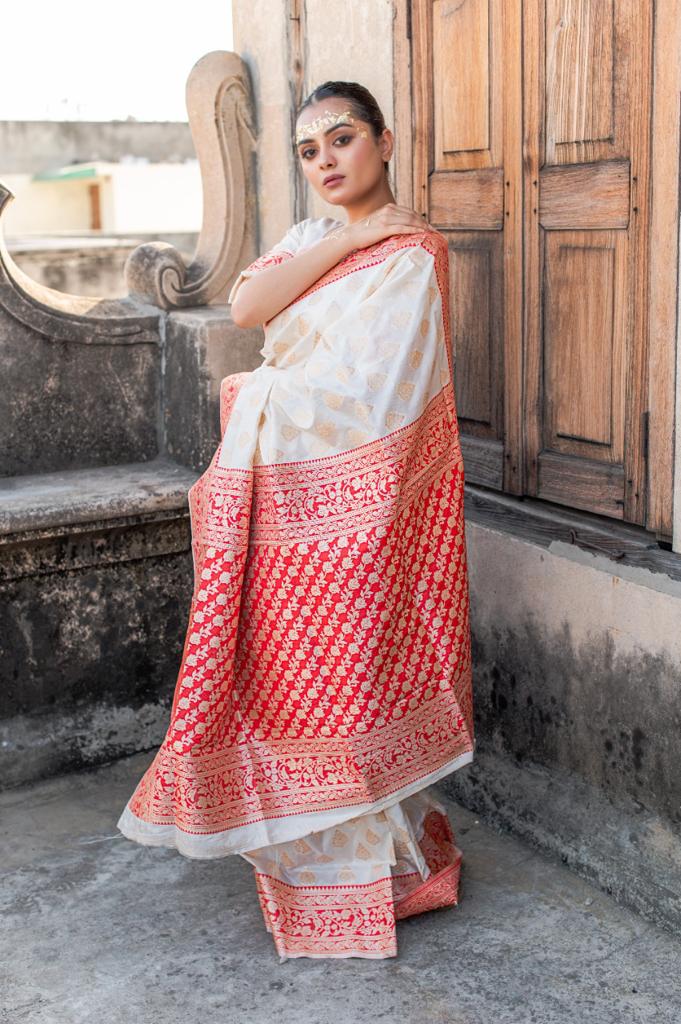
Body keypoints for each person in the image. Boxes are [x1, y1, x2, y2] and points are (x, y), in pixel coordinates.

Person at [116, 80, 475, 961]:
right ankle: (311, 866)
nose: (325, 161)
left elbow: (374, 394)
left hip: (356, 507)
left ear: (384, 140)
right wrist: (348, 237)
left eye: (341, 139)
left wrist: (255, 393)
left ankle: (374, 874)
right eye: (308, 151)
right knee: (288, 678)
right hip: (280, 506)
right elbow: (246, 309)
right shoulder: (316, 239)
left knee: (352, 679)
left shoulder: (413, 252)